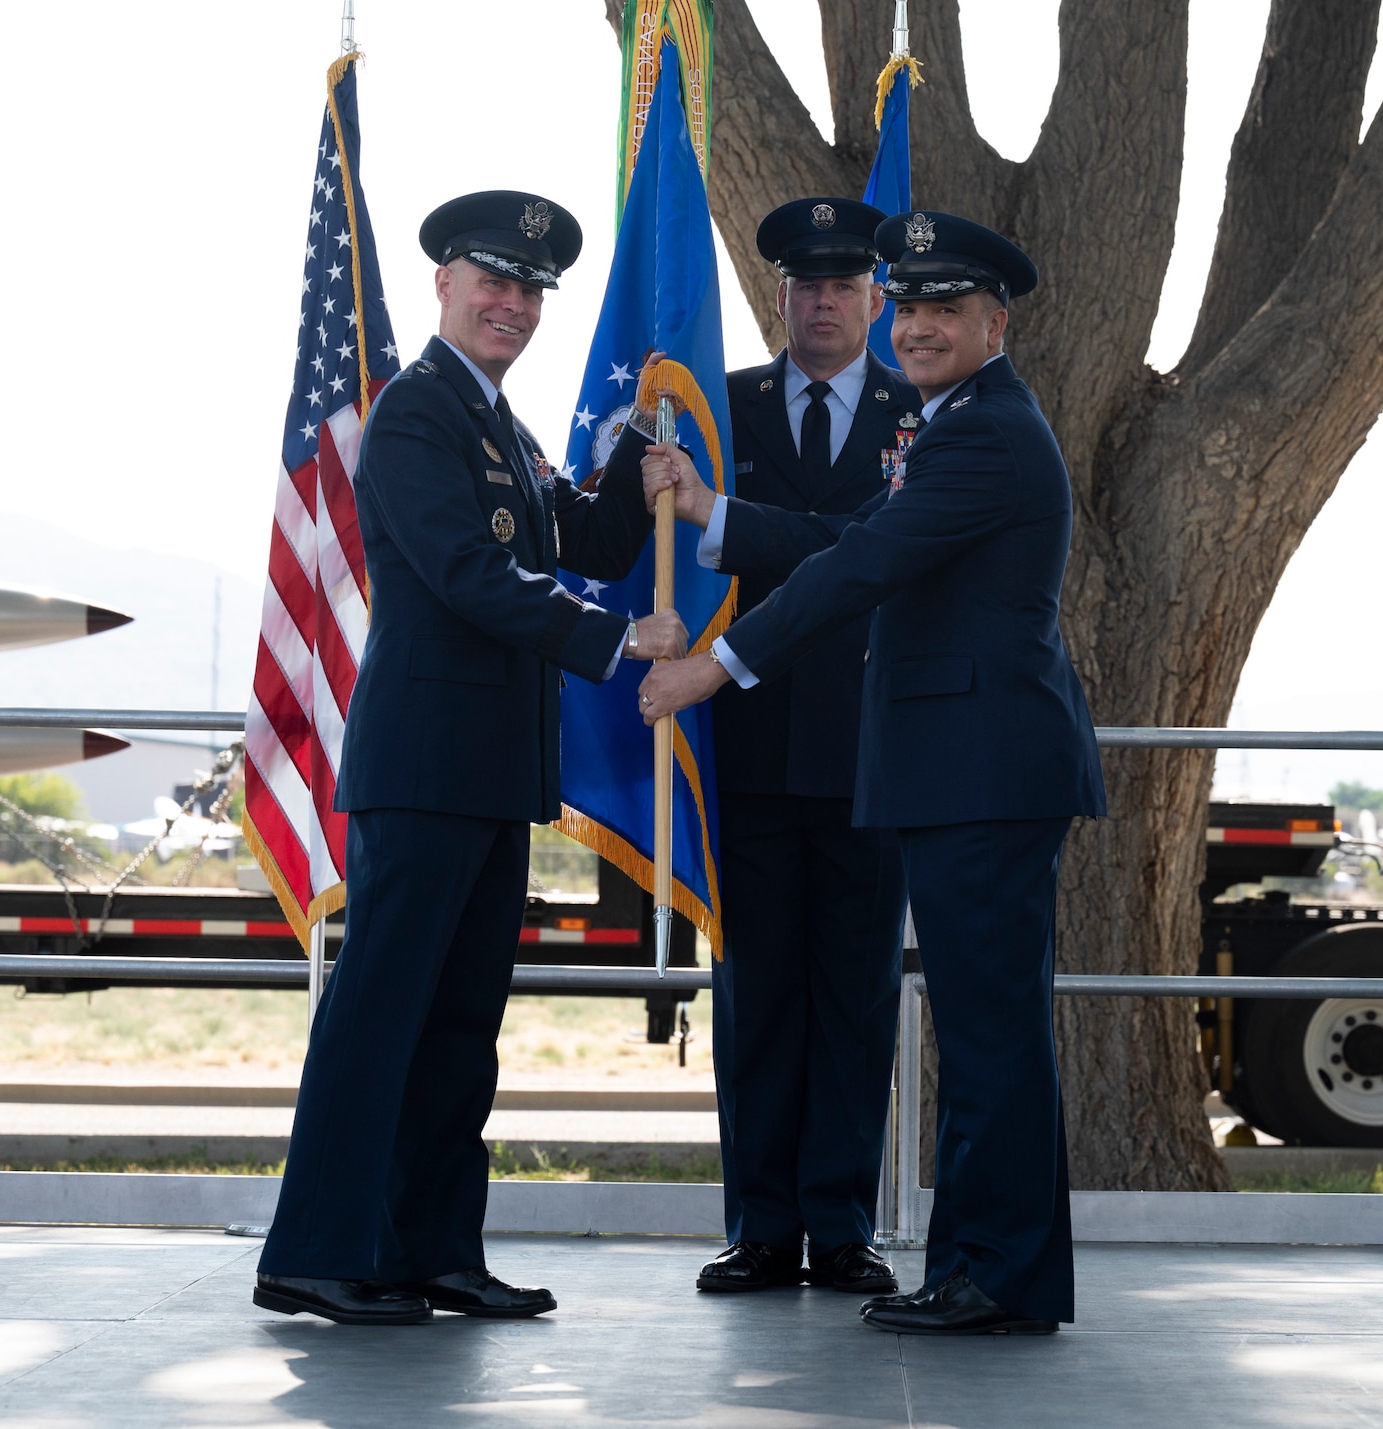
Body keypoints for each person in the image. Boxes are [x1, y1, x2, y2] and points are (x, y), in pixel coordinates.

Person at [641, 211, 1105, 1335]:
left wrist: (717, 664)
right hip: (965, 770)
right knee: (992, 1033)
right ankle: (999, 1269)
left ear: (996, 324)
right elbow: (849, 540)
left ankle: (989, 1272)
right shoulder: (960, 425)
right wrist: (708, 514)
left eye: (946, 310)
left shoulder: (981, 432)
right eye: (911, 308)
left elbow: (864, 563)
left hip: (979, 770)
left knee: (988, 1039)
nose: (919, 327)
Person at [254, 190, 687, 1326]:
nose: (512, 303)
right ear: (443, 283)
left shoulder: (502, 424)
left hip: (492, 772)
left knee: (456, 1034)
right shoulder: (415, 414)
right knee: (380, 1019)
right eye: (491, 281)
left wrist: (634, 473)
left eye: (530, 289)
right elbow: (463, 573)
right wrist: (612, 639)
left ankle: (430, 1251)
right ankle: (317, 1251)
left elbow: (573, 543)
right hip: (425, 766)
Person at [675, 198, 922, 1297]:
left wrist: (721, 514)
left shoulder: (920, 413)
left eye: (842, 284)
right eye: (802, 284)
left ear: (875, 296)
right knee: (756, 997)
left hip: (874, 748)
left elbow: (877, 549)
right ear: (775, 294)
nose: (821, 301)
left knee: (857, 998)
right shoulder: (715, 411)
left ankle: (842, 1224)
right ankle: (761, 1227)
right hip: (747, 746)